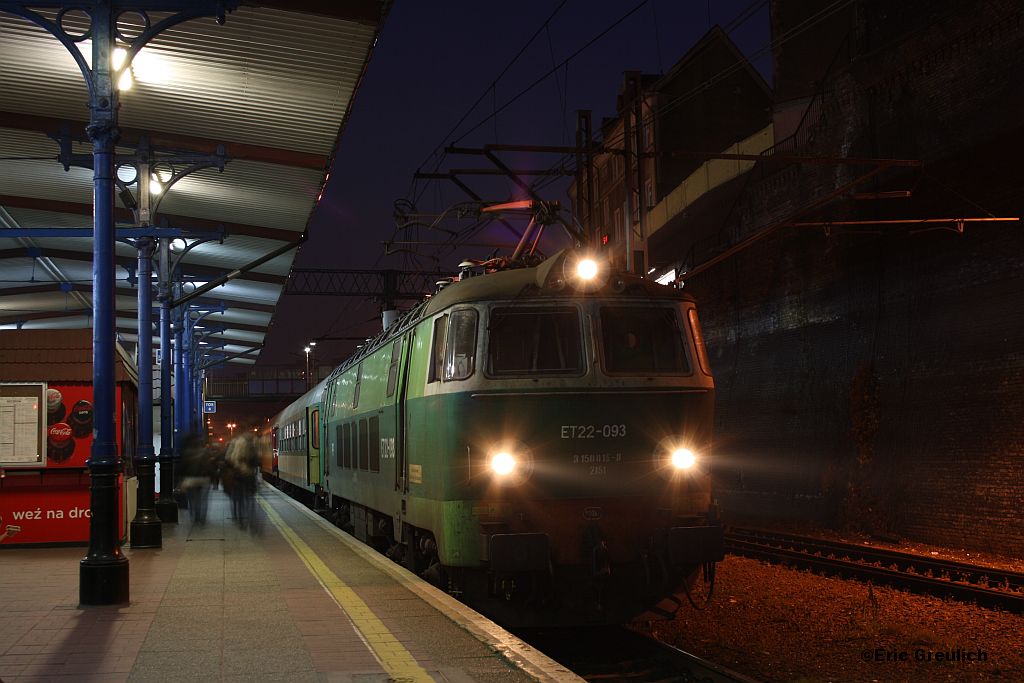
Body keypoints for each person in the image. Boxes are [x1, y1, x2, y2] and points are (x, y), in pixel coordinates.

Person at [179, 433, 211, 525]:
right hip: (204, 479)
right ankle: (202, 518)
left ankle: (195, 516)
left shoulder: (186, 452)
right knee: (203, 500)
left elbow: (181, 467)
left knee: (192, 499)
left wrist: (180, 480)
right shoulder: (204, 452)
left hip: (190, 479)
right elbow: (209, 466)